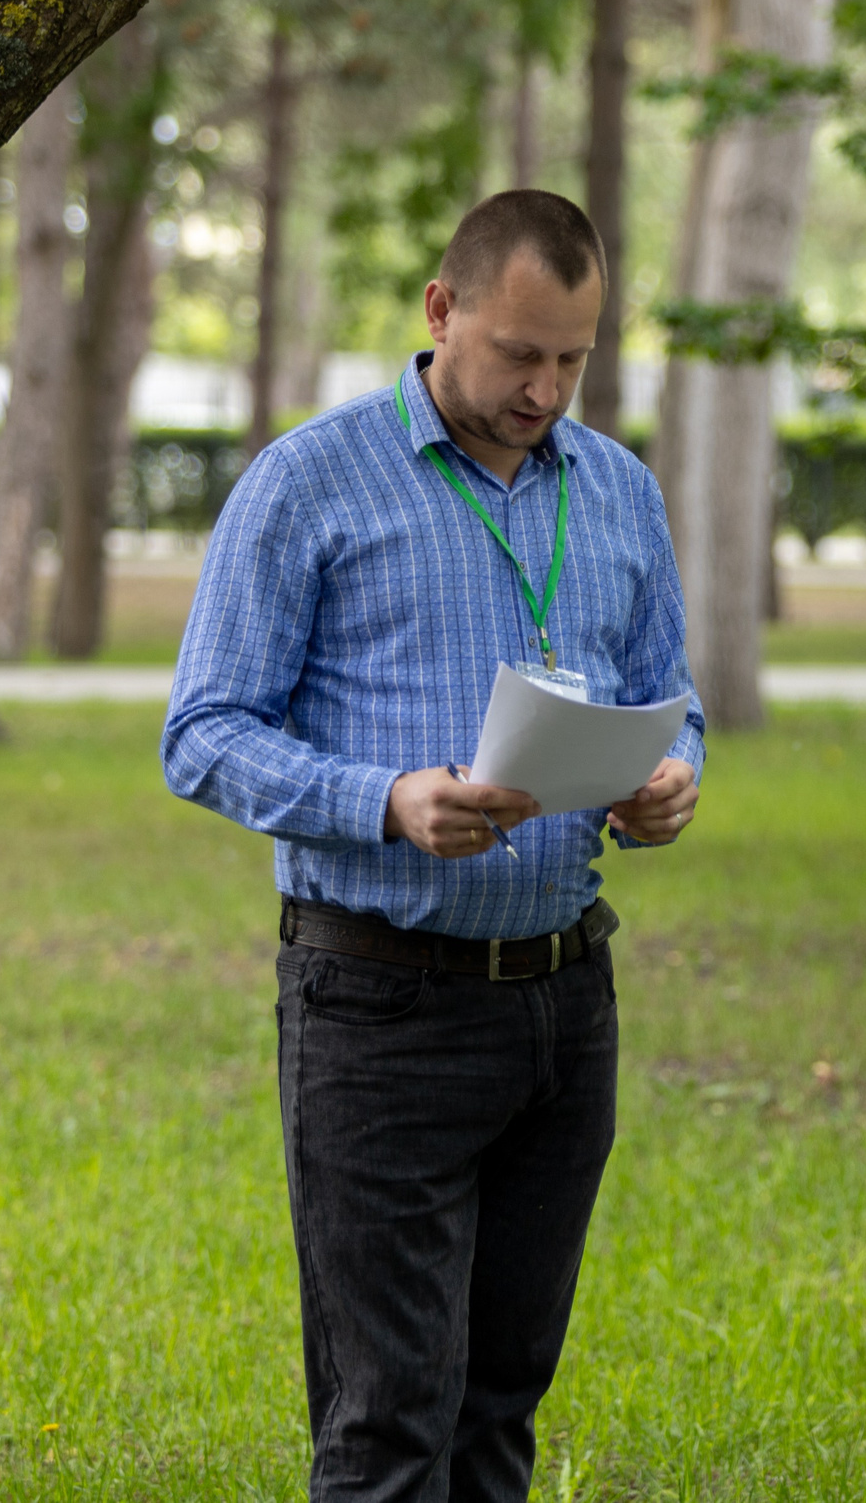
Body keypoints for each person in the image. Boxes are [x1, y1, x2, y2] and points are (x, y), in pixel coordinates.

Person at [161, 189, 703, 1502]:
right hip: (379, 1002)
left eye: (573, 357)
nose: (546, 388)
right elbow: (204, 731)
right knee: (388, 1417)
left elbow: (669, 690)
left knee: (501, 1402)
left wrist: (671, 777)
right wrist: (387, 798)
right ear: (441, 310)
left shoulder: (618, 489)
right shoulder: (309, 481)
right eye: (520, 352)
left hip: (566, 1005)